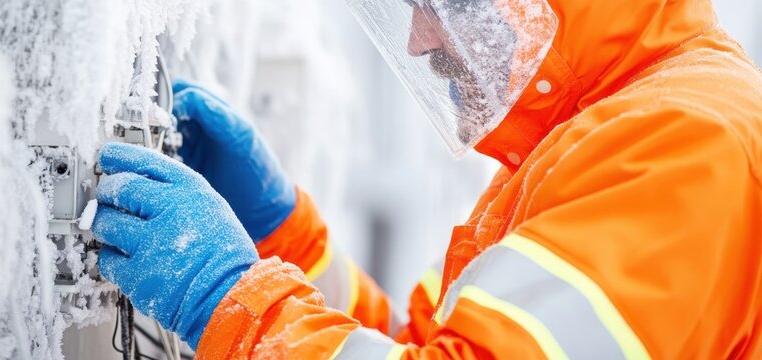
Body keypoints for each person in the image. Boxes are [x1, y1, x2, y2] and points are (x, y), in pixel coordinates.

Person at [91, 0, 762, 358]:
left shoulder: (677, 144)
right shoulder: (598, 135)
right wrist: (279, 240)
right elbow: (420, 347)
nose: (416, 40)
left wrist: (229, 300)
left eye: (446, 1)